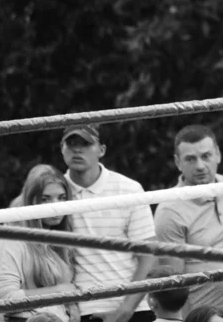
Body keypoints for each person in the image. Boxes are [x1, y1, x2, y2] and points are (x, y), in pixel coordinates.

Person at [154, 125, 223, 322]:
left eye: (206, 156)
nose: (200, 166)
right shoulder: (170, 211)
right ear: (177, 162)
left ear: (218, 155)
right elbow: (174, 289)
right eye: (190, 159)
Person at [60, 124, 157, 322]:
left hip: (135, 308)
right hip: (80, 312)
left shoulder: (129, 189)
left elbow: (148, 257)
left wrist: (126, 309)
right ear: (61, 148)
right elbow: (9, 229)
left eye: (85, 144)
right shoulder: (53, 192)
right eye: (71, 144)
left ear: (101, 150)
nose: (77, 150)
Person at [0, 166, 79, 322]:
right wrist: (59, 292)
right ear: (31, 201)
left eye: (62, 197)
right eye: (45, 199)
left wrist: (71, 305)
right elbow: (6, 298)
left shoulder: (59, 240)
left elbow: (66, 293)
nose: (56, 205)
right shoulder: (13, 240)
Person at [0, 164, 57, 295]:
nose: (54, 203)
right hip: (24, 302)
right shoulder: (17, 217)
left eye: (61, 197)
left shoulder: (57, 220)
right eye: (45, 198)